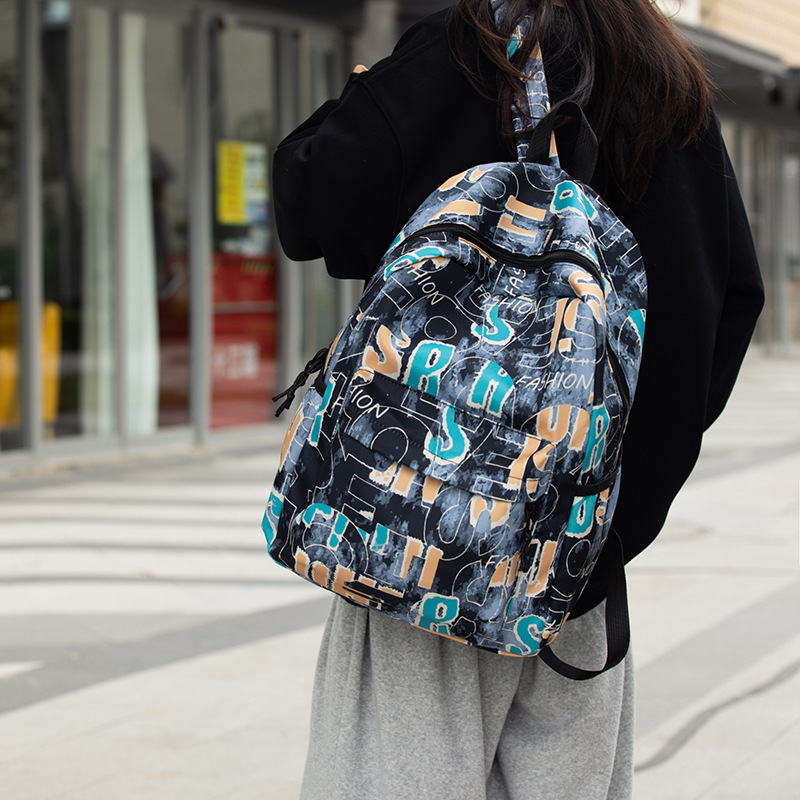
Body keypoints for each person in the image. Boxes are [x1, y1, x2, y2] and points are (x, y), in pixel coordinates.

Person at [271, 1, 765, 797]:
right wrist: (607, 505)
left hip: (418, 552)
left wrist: (366, 93)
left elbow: (308, 202)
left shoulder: (462, 50)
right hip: (577, 570)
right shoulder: (669, 81)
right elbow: (731, 302)